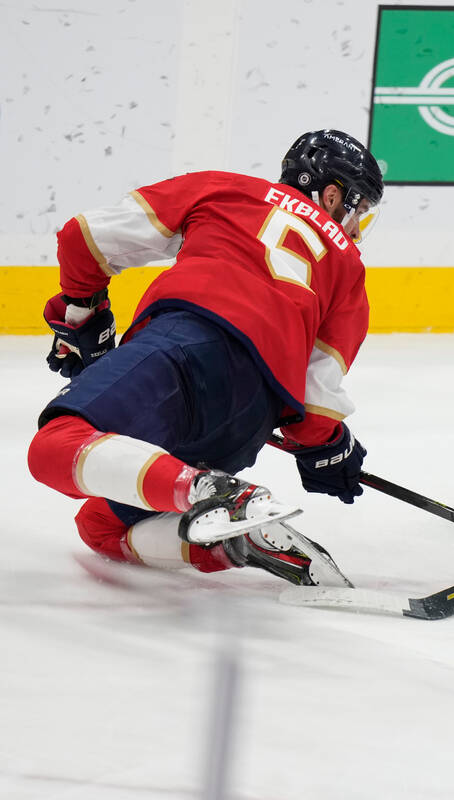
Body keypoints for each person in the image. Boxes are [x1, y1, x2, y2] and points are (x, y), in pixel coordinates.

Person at [26, 129, 383, 587]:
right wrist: (330, 449)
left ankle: (208, 491)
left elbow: (85, 237)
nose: (356, 230)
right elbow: (315, 406)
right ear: (332, 194)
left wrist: (83, 313)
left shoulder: (227, 189)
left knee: (53, 447)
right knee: (102, 525)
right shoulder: (349, 269)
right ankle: (234, 540)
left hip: (187, 349)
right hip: (247, 423)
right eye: (361, 213)